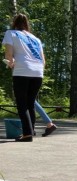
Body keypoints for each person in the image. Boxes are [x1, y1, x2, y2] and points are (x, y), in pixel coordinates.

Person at [2, 13, 46, 142]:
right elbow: (43, 60)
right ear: (27, 24)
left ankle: (27, 134)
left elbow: (8, 54)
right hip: (38, 72)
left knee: (22, 104)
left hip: (22, 70)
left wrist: (10, 63)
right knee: (30, 103)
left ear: (14, 22)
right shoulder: (35, 39)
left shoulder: (11, 33)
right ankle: (31, 131)